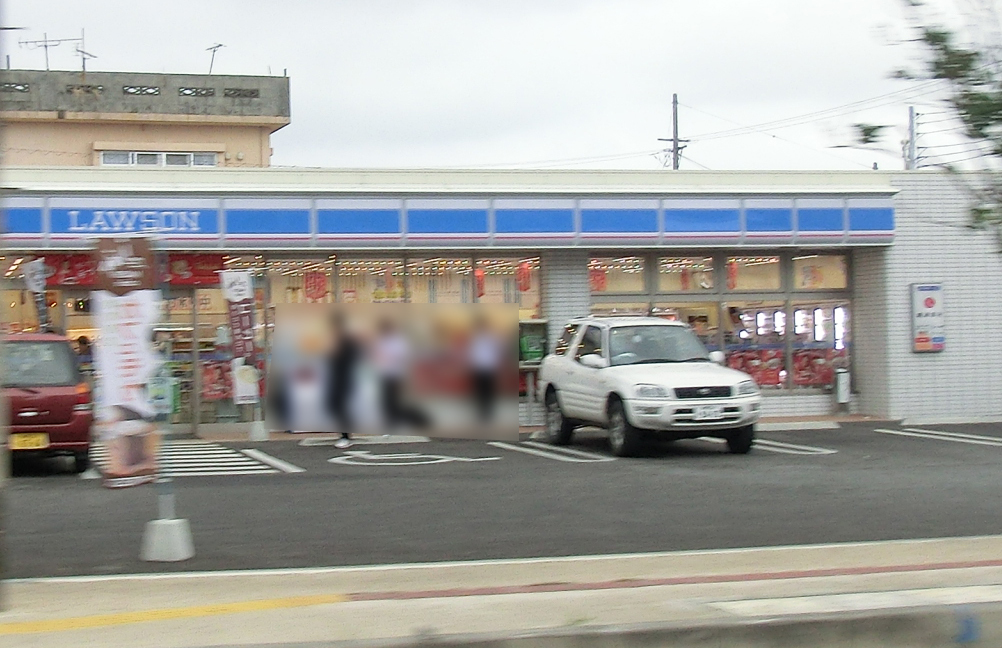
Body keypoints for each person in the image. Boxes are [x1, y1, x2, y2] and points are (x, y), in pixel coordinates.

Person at [327, 311, 361, 448]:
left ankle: (345, 435)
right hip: (338, 376)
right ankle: (346, 432)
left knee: (339, 405)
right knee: (335, 404)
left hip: (344, 377)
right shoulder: (337, 340)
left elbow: (352, 357)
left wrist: (336, 355)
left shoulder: (346, 340)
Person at [468, 315, 502, 424]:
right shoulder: (478, 337)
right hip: (481, 367)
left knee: (485, 392)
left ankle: (486, 415)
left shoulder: (487, 337)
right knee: (482, 392)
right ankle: (484, 415)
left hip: (486, 367)